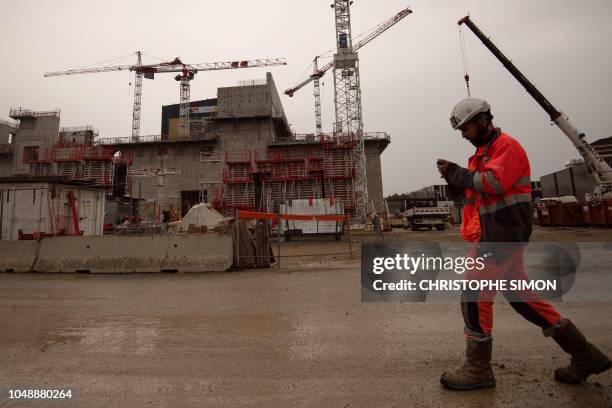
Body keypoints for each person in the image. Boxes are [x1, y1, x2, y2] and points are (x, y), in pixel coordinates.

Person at [436, 97, 611, 390]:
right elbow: (476, 196)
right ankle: (585, 355)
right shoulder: (483, 154)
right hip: (498, 235)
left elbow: (493, 183)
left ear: (482, 121)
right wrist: (457, 182)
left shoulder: (506, 147)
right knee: (524, 300)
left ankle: (478, 370)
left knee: (474, 295)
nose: (464, 135)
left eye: (466, 128)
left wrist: (456, 173)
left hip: (502, 237)